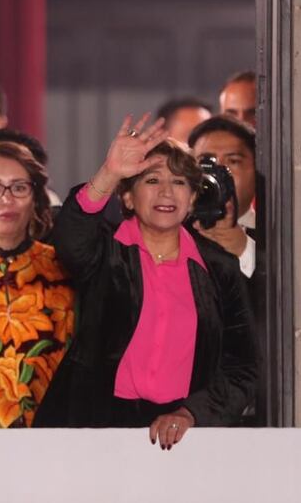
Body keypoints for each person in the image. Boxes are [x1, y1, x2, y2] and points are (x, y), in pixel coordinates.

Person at [34, 115, 257, 450]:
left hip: (183, 438)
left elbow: (242, 367)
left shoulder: (220, 268)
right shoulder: (104, 252)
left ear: (192, 200)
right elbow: (69, 239)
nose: (166, 192)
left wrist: (192, 413)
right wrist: (109, 173)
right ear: (127, 197)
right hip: (91, 431)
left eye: (179, 182)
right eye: (152, 180)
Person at [0, 142, 74, 428]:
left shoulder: (63, 268)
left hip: (53, 434)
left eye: (19, 188)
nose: (6, 199)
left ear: (36, 198)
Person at [188, 115, 259, 277]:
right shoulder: (172, 231)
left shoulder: (278, 237)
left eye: (233, 161)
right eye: (207, 162)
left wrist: (243, 248)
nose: (218, 174)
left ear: (257, 169)